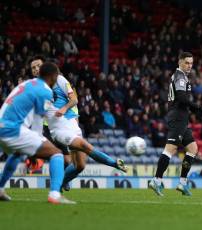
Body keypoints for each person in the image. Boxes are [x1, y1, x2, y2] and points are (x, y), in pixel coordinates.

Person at [32, 57, 128, 192]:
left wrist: (65, 109)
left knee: (80, 166)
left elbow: (74, 99)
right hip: (56, 129)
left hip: (71, 124)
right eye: (33, 68)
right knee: (70, 153)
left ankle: (59, 185)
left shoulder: (61, 80)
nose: (36, 69)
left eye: (38, 66)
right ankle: (114, 163)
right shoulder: (34, 87)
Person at [0, 62, 75, 204]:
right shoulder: (46, 91)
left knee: (17, 153)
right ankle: (55, 194)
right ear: (53, 76)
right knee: (56, 153)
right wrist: (35, 151)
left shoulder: (27, 83)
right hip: (13, 129)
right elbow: (37, 124)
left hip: (2, 126)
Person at [148, 52, 202, 196]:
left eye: (191, 63)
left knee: (193, 149)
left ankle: (182, 183)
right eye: (187, 62)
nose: (189, 66)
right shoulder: (180, 76)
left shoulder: (181, 76)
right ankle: (156, 180)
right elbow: (181, 98)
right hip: (178, 117)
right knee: (170, 149)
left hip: (182, 117)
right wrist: (198, 107)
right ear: (180, 62)